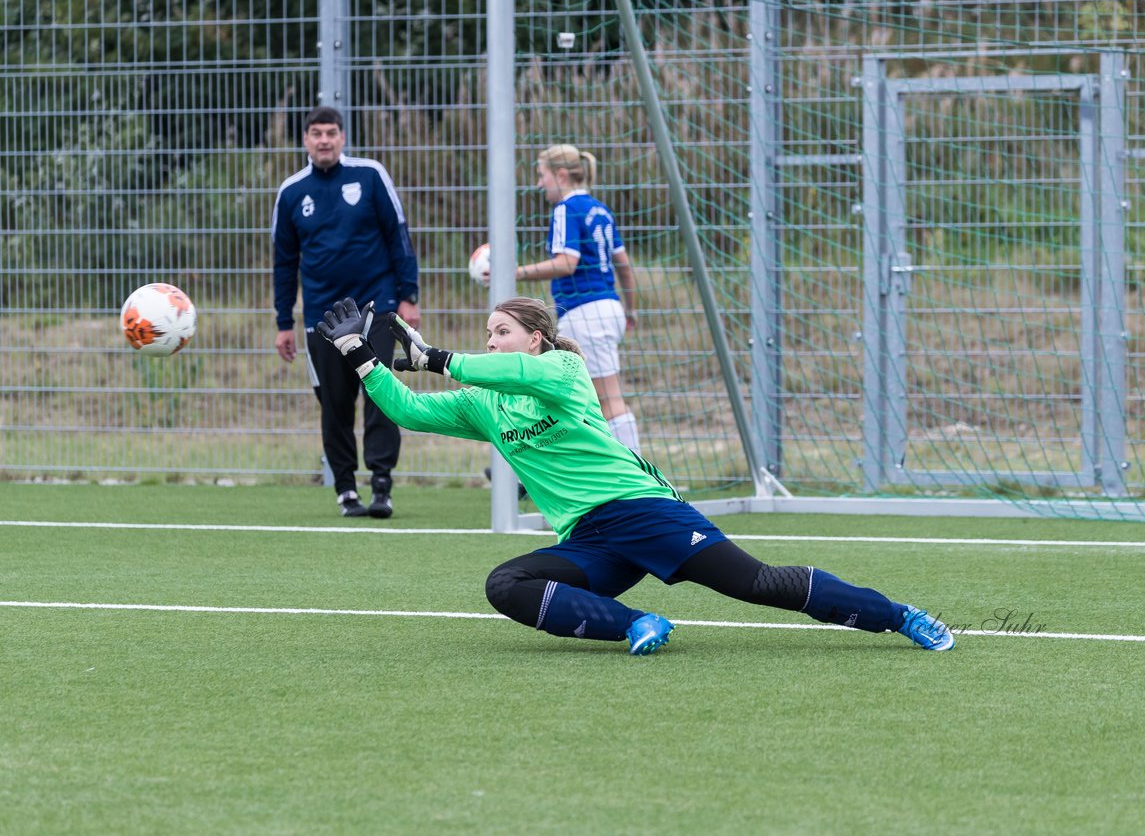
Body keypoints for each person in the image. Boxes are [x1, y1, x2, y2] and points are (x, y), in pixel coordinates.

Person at [314, 294, 956, 655]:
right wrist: (359, 356)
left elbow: (513, 373)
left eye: (502, 332)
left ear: (535, 337)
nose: (493, 341)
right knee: (505, 583)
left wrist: (440, 356)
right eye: (487, 333)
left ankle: (899, 616)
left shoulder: (561, 371)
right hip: (589, 539)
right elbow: (408, 410)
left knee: (759, 583)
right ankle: (635, 625)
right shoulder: (482, 401)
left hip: (640, 508)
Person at [272, 105, 421, 518]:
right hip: (323, 317)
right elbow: (284, 262)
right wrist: (284, 321)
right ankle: (345, 489)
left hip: (376, 306)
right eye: (316, 133)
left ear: (342, 137)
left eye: (331, 133)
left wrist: (408, 297)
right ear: (305, 140)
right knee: (334, 403)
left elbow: (399, 237)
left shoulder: (370, 175)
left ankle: (381, 485)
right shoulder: (291, 192)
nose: (324, 140)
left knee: (381, 395)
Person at [515, 144, 641, 452]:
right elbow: (622, 263)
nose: (539, 183)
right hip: (607, 306)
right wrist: (630, 309)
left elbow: (566, 262)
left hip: (585, 312)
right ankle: (529, 471)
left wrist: (516, 271)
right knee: (561, 392)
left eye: (541, 175)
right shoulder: (599, 208)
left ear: (560, 175)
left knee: (606, 399)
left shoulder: (565, 210)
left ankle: (641, 479)